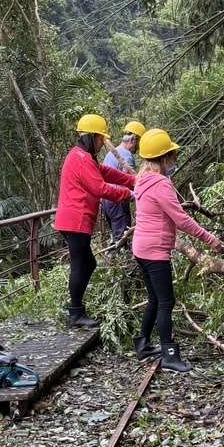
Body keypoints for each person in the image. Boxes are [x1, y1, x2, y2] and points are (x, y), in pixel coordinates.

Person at [132, 128, 222, 372]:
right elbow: (181, 220)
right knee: (166, 301)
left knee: (154, 298)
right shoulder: (160, 183)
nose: (175, 160)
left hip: (140, 249)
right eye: (172, 156)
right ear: (163, 158)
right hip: (154, 252)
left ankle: (142, 345)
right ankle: (169, 355)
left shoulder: (142, 179)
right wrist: (210, 238)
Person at [54, 114, 136, 328]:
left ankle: (76, 310)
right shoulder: (81, 159)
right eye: (100, 139)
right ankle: (75, 314)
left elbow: (107, 173)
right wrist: (129, 194)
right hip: (76, 220)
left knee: (87, 263)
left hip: (74, 220)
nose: (102, 143)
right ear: (91, 137)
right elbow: (99, 188)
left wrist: (134, 181)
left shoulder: (83, 157)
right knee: (81, 264)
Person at [101, 120, 145, 241]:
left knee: (116, 235)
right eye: (139, 142)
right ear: (133, 140)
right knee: (122, 236)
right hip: (118, 200)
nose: (139, 146)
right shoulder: (126, 156)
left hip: (107, 200)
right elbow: (130, 182)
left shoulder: (111, 153)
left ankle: (115, 255)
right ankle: (120, 256)